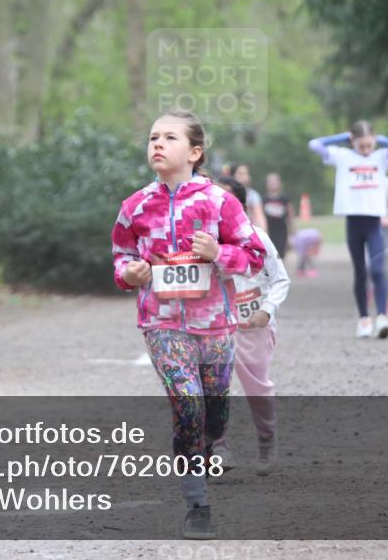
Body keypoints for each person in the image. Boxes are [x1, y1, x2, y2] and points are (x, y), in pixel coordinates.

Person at [111, 109, 265, 540]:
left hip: (216, 325)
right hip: (162, 324)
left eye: (169, 138)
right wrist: (131, 275)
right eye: (153, 137)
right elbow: (120, 261)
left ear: (194, 152)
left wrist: (219, 253)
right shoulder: (135, 206)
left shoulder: (220, 201)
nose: (157, 144)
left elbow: (253, 255)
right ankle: (197, 505)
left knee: (213, 410)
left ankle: (217, 436)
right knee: (187, 405)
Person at [211, 177, 290, 477]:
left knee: (257, 388)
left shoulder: (257, 237)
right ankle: (219, 447)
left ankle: (267, 439)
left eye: (226, 200)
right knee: (213, 387)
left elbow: (280, 278)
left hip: (253, 326)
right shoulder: (204, 244)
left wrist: (266, 312)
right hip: (216, 326)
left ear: (240, 206)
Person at [309, 121, 388, 339]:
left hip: (374, 222)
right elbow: (315, 144)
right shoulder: (343, 156)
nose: (366, 150)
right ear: (352, 141)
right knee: (360, 272)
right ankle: (364, 319)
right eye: (361, 146)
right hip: (353, 221)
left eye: (369, 145)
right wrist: (343, 136)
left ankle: (382, 317)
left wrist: (378, 140)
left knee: (378, 269)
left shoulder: (380, 157)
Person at [366, 175, 388, 315]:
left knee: (383, 266)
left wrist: (386, 221)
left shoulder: (387, 182)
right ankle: (367, 292)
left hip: (383, 229)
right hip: (363, 227)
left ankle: (385, 299)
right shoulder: (356, 180)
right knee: (365, 265)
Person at [262, 172, 294, 258]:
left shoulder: (284, 198)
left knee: (280, 254)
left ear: (279, 183)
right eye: (270, 182)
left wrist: (292, 232)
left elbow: (290, 215)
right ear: (267, 184)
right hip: (268, 231)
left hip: (281, 231)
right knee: (269, 254)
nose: (273, 184)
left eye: (275, 181)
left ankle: (281, 271)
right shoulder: (263, 199)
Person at [230, 164, 269, 232]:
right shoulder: (227, 194)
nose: (245, 176)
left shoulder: (253, 195)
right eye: (241, 173)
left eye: (246, 173)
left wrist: (263, 232)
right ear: (233, 176)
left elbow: (259, 215)